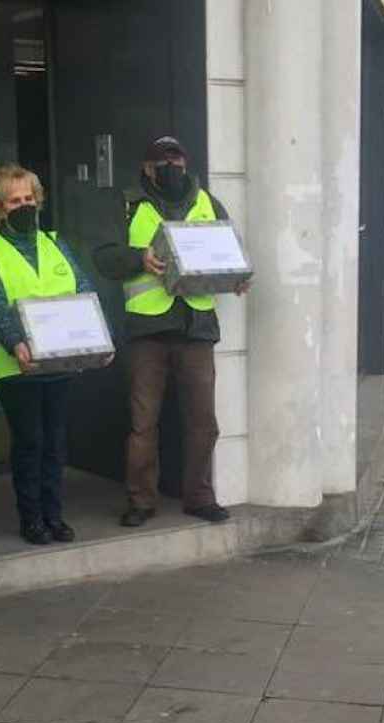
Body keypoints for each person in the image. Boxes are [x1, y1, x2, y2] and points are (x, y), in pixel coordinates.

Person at [94, 136, 245, 527]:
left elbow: (231, 248)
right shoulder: (127, 204)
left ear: (186, 161)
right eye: (162, 161)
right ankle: (141, 501)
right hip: (148, 330)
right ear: (147, 167)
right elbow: (104, 257)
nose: (171, 166)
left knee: (203, 422)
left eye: (176, 158)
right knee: (144, 423)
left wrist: (238, 275)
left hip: (196, 327)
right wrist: (139, 259)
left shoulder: (207, 202)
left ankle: (198, 496)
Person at [0, 164, 99, 545]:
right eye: (15, 200)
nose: (24, 205)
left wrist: (98, 340)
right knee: (31, 441)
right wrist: (17, 343)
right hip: (17, 365)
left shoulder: (56, 242)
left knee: (55, 442)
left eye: (29, 198)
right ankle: (32, 518)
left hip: (58, 361)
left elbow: (83, 290)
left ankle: (54, 515)